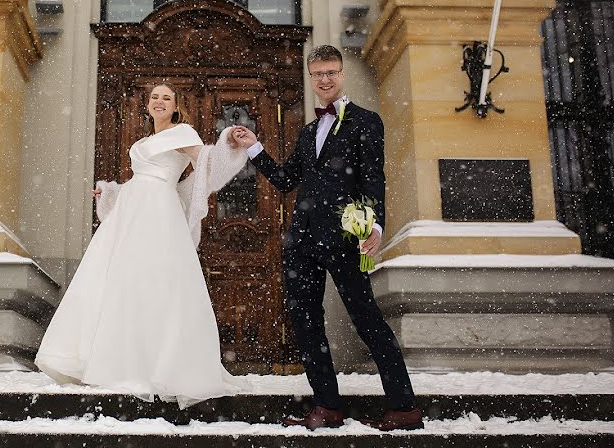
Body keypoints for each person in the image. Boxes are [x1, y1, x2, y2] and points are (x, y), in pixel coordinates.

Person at [231, 45, 422, 431]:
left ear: (342, 73)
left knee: (367, 319)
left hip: (345, 239)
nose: (324, 80)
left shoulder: (366, 122)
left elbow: (373, 177)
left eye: (331, 72)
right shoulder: (307, 132)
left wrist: (377, 227)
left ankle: (403, 407)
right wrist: (254, 146)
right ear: (311, 77)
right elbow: (286, 180)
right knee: (305, 323)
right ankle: (326, 406)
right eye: (317, 74)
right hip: (301, 243)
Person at [35, 83, 247, 408]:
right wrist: (111, 193)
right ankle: (112, 358)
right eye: (154, 97)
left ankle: (156, 363)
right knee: (118, 281)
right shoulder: (144, 141)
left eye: (166, 97)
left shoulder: (183, 133)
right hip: (131, 213)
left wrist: (229, 145)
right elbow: (139, 181)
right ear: (148, 105)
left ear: (176, 106)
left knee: (156, 282)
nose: (159, 101)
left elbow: (206, 164)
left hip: (160, 213)